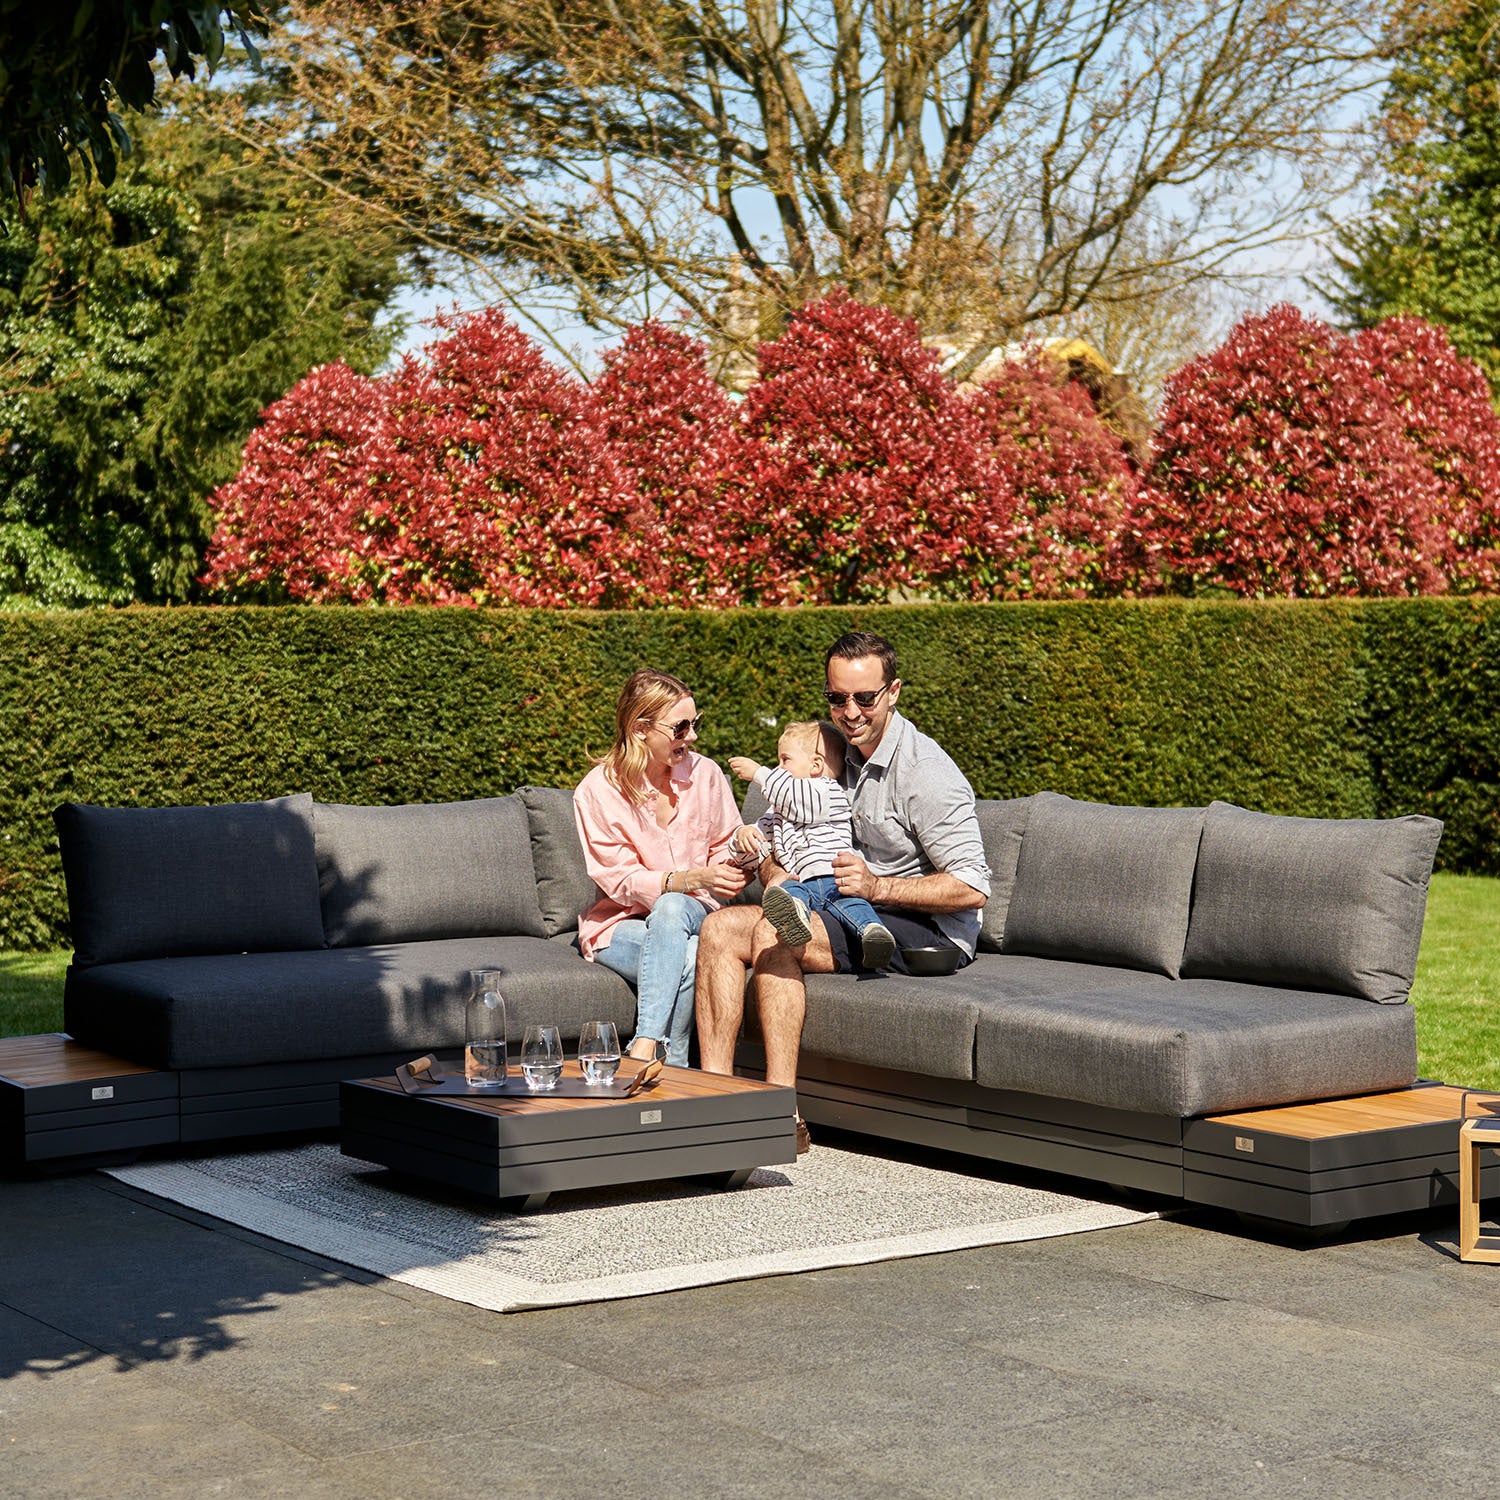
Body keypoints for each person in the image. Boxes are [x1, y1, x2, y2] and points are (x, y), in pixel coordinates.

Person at [695, 631, 990, 1147]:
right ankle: (716, 1103)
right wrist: (772, 871)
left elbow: (972, 887)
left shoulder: (926, 773)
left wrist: (878, 884)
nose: (850, 711)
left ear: (893, 692)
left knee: (773, 931)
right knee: (719, 927)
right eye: (837, 698)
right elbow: (780, 839)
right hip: (833, 900)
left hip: (927, 930)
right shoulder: (829, 755)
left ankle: (777, 1115)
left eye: (864, 698)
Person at [573, 669, 747, 1067]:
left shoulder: (706, 775)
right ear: (639, 729)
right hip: (619, 925)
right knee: (687, 957)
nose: (693, 737)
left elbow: (726, 845)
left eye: (695, 723)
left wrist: (739, 861)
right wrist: (689, 878)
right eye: (681, 727)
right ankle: (677, 1066)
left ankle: (643, 1045)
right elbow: (620, 880)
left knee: (672, 908)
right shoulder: (596, 792)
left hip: (697, 913)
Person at [727, 721, 896, 971]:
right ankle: (796, 919)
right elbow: (755, 853)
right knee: (787, 891)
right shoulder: (779, 810)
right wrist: (744, 836)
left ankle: (873, 935)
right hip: (800, 882)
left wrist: (759, 774)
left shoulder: (826, 792)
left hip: (834, 878)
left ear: (816, 765)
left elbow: (799, 800)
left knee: (853, 906)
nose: (778, 768)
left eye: (785, 760)